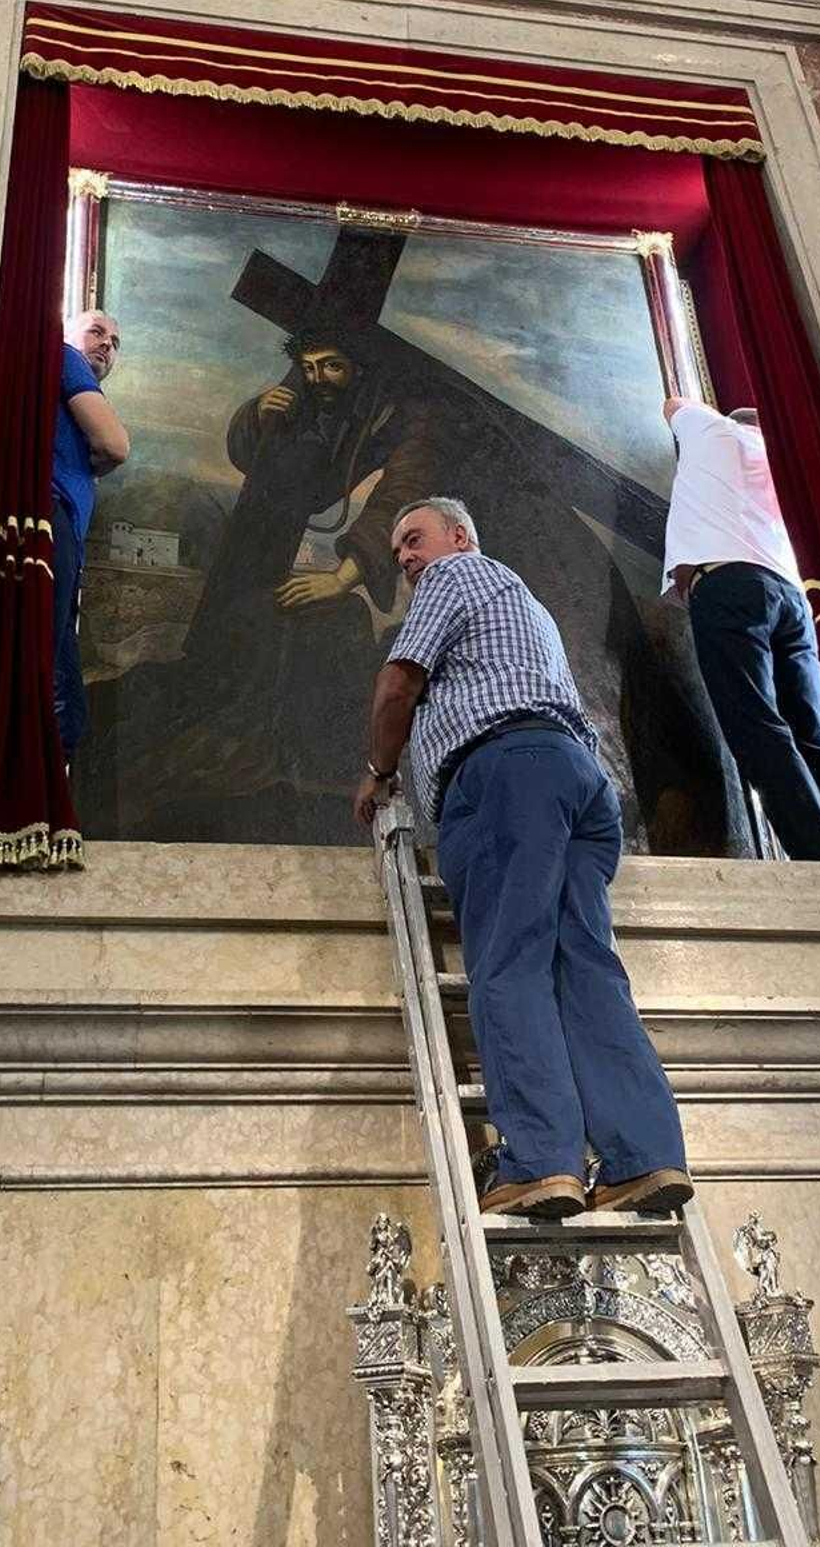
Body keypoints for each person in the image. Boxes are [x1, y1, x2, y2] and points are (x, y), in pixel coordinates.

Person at [353, 496, 692, 1221]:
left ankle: (541, 1160)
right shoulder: (526, 604)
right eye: (399, 553)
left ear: (459, 534)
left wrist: (379, 769)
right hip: (576, 782)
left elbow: (398, 684)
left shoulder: (457, 576)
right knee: (587, 969)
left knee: (509, 962)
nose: (407, 558)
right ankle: (644, 1154)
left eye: (414, 539)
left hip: (506, 776)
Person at [662, 397, 820, 864]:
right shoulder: (781, 468)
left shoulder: (713, 431)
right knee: (816, 733)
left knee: (757, 725)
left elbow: (672, 402)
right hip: (790, 595)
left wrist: (710, 418)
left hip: (728, 586)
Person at [52, 309, 129, 761]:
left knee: (68, 707)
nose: (106, 344)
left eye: (115, 342)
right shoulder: (66, 358)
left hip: (66, 535)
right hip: (54, 521)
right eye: (97, 332)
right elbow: (116, 445)